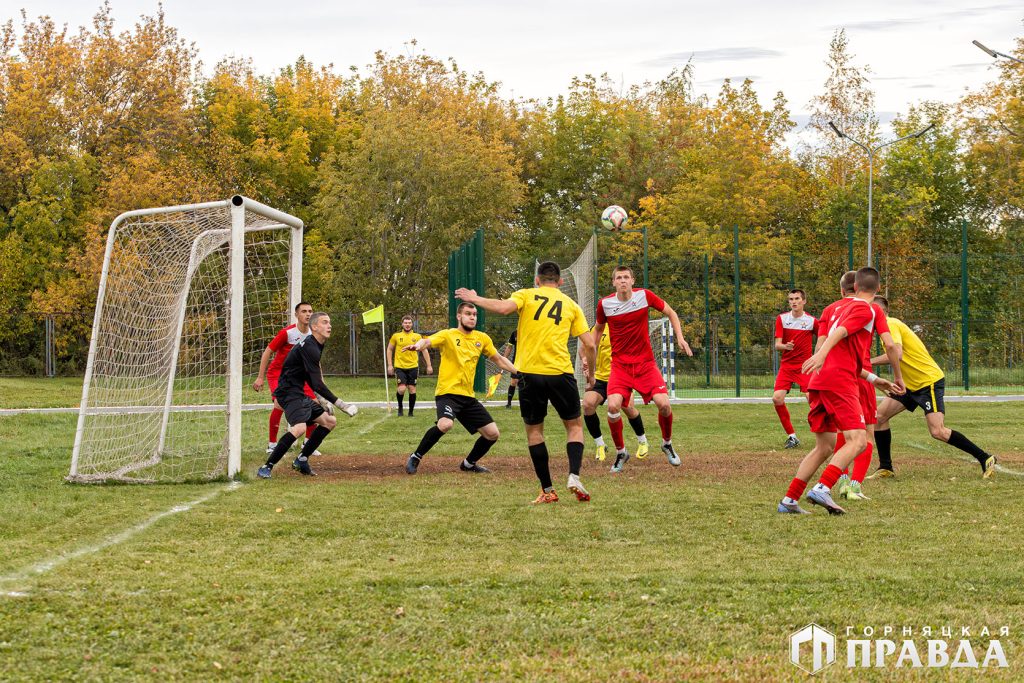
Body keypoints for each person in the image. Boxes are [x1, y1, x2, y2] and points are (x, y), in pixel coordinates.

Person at [456, 261, 597, 503]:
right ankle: (573, 475)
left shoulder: (527, 295)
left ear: (537, 280)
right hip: (560, 372)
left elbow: (503, 308)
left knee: (534, 432)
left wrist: (475, 298)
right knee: (574, 427)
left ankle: (547, 489)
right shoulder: (572, 305)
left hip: (529, 374)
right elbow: (591, 344)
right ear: (561, 282)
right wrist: (591, 374)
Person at [777, 267, 902, 515]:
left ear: (854, 287)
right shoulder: (869, 308)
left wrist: (875, 379)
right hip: (840, 382)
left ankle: (789, 500)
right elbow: (885, 344)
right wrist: (898, 376)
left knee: (824, 446)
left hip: (819, 381)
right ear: (878, 289)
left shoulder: (835, 308)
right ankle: (823, 488)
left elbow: (841, 352)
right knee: (858, 441)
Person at [869, 296, 998, 479]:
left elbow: (896, 354)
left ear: (881, 313)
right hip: (910, 385)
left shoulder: (890, 323)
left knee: (937, 431)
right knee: (880, 417)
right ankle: (886, 467)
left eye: (871, 310)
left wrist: (867, 362)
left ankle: (985, 458)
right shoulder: (884, 330)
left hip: (927, 382)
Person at [591, 266, 693, 473]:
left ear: (632, 280)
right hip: (619, 366)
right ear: (613, 283)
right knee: (613, 407)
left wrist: (680, 338)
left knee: (664, 404)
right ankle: (621, 452)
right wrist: (588, 355)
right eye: (618, 278)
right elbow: (598, 330)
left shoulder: (644, 296)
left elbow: (671, 312)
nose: (622, 281)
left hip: (645, 364)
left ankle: (667, 444)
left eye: (626, 277)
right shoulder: (605, 304)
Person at [815, 273, 903, 501]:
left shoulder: (830, 309)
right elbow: (891, 345)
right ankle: (852, 486)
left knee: (843, 434)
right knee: (865, 436)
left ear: (845, 289)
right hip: (857, 375)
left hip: (829, 376)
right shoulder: (871, 309)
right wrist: (897, 376)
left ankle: (837, 483)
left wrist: (817, 366)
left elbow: (821, 343)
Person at [403, 302, 518, 475]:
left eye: (474, 314)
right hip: (447, 393)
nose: (472, 317)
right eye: (468, 313)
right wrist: (418, 346)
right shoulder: (448, 335)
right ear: (459, 316)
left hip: (468, 397)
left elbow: (499, 359)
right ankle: (416, 456)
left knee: (493, 434)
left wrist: (520, 372)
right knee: (446, 424)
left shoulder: (482, 338)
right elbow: (427, 341)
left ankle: (469, 464)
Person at [257, 312, 358, 479]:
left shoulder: (317, 344)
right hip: (288, 392)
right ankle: (266, 466)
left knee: (329, 421)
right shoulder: (310, 346)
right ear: (314, 327)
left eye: (329, 322)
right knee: (299, 428)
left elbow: (313, 379)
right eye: (325, 322)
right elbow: (317, 383)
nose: (329, 325)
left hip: (299, 392)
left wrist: (322, 400)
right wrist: (342, 405)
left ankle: (301, 459)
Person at [253, 302, 320, 456]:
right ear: (297, 315)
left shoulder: (313, 334)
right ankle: (272, 444)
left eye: (310, 311)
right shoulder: (287, 333)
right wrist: (260, 377)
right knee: (280, 404)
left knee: (315, 405)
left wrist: (318, 381)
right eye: (304, 311)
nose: (308, 314)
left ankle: (308, 444)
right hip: (279, 373)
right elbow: (267, 352)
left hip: (299, 375)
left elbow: (315, 360)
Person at [580, 323, 649, 463]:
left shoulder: (626, 327)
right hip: (600, 379)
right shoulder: (598, 328)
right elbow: (583, 348)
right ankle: (600, 445)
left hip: (620, 377)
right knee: (587, 404)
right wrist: (585, 360)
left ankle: (642, 441)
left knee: (628, 407)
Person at [772, 289, 818, 449]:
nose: (794, 301)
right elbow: (777, 345)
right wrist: (785, 346)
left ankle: (823, 435)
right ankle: (792, 437)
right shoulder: (782, 319)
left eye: (797, 298)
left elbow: (824, 339)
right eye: (791, 299)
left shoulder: (812, 321)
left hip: (805, 366)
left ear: (804, 301)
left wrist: (819, 357)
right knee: (777, 398)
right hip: (787, 366)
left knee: (812, 400)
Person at [386, 315, 433, 417]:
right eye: (405, 323)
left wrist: (429, 365)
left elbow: (424, 350)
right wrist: (390, 365)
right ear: (402, 324)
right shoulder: (396, 336)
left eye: (409, 323)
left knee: (412, 389)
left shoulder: (417, 337)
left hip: (413, 367)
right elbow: (389, 349)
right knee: (402, 389)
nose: (407, 325)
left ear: (412, 324)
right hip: (400, 366)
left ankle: (411, 412)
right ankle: (400, 408)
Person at [503, 330, 520, 408]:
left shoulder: (530, 331)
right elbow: (509, 347)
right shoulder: (515, 333)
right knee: (514, 382)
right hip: (516, 360)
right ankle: (509, 403)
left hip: (529, 360)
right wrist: (504, 359)